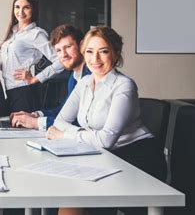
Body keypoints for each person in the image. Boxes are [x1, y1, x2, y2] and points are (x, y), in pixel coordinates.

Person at [47, 26, 166, 215]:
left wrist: (64, 135)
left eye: (103, 52)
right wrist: (72, 133)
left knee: (74, 194)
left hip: (137, 159)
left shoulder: (124, 85)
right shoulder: (85, 83)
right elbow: (61, 119)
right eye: (89, 52)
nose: (95, 59)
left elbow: (106, 140)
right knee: (68, 191)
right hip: (103, 155)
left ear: (116, 54)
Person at [0, 0, 64, 112]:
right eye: (17, 7)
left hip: (24, 92)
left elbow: (61, 61)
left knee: (23, 130)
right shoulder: (13, 33)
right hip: (10, 91)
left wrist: (36, 78)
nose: (20, 12)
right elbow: (14, 65)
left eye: (26, 7)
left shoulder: (36, 34)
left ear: (33, 10)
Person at [11, 24, 91, 130]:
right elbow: (65, 109)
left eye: (68, 47)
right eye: (58, 50)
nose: (64, 54)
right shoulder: (73, 77)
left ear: (81, 46)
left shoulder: (91, 76)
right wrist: (37, 114)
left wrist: (36, 122)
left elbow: (77, 122)